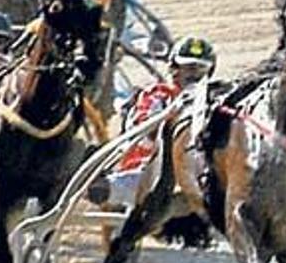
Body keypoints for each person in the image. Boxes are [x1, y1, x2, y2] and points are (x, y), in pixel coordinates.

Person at [91, 35, 217, 207]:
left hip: (196, 178)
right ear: (174, 69)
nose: (194, 75)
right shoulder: (158, 95)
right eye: (189, 68)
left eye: (200, 70)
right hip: (143, 174)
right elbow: (144, 135)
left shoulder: (214, 101)